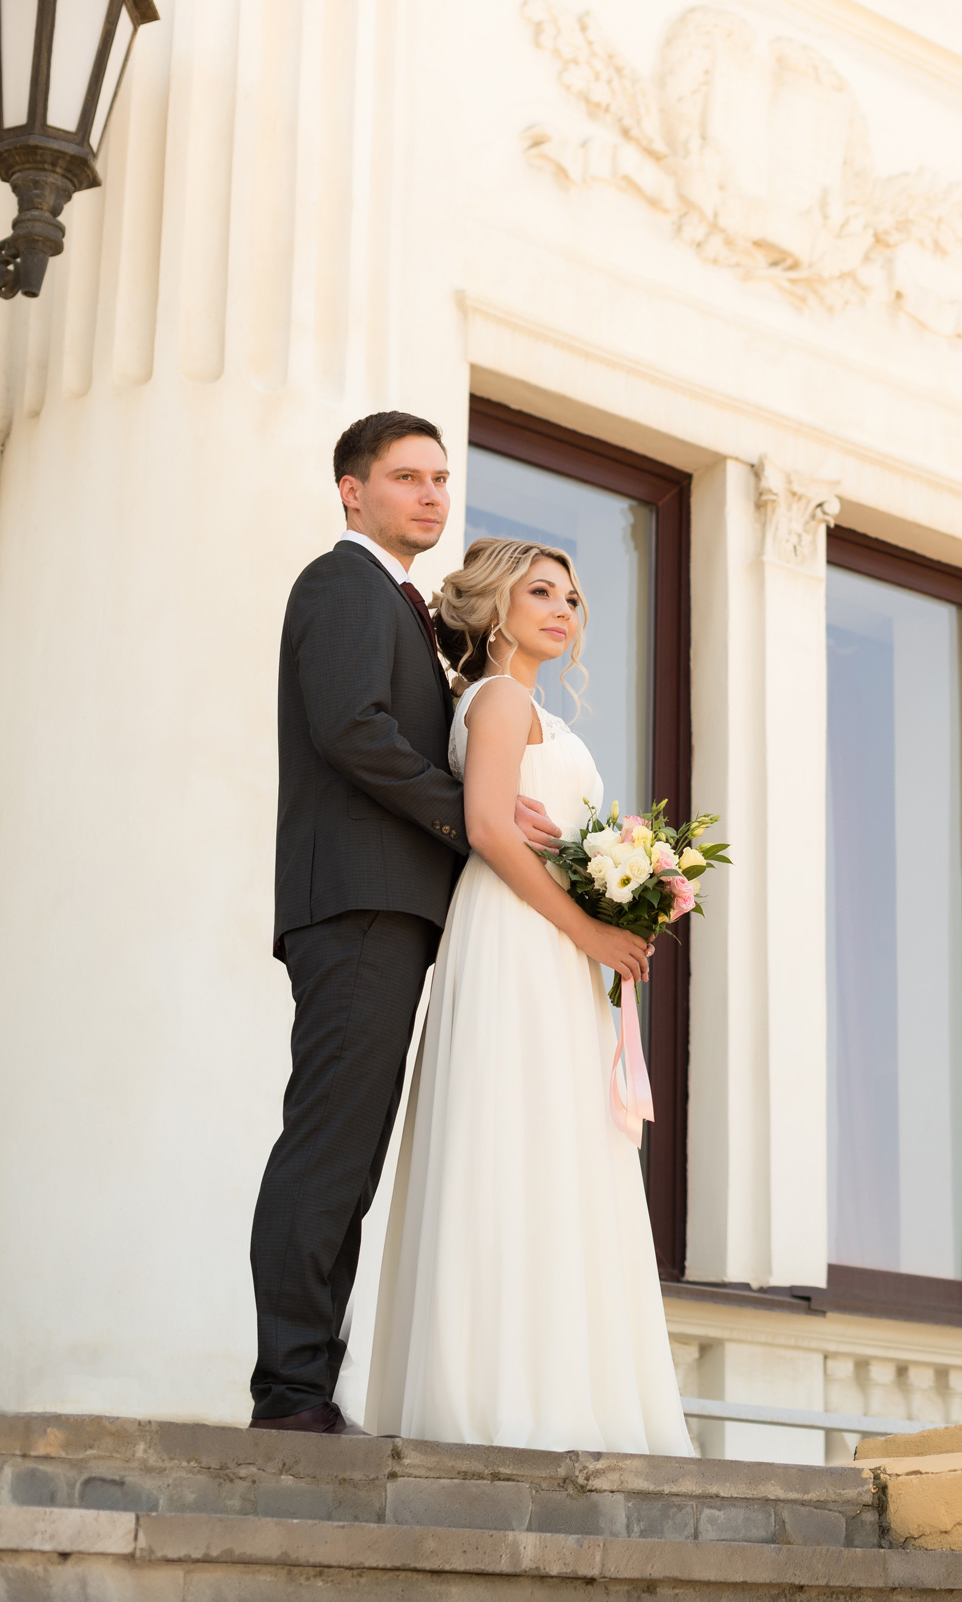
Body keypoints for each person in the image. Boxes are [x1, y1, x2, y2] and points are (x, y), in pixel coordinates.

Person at [250, 413, 561, 1434]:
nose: (431, 495)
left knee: (351, 1152)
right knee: (332, 1149)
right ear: (352, 491)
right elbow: (351, 730)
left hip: (391, 908)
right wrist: (467, 818)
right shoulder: (341, 584)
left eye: (440, 478)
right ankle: (291, 1394)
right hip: (360, 902)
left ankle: (305, 1385)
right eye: (404, 478)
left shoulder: (407, 606)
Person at [363, 537, 694, 1454]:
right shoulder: (500, 699)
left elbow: (537, 833)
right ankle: (495, 1398)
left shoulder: (525, 705)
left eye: (574, 597)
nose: (563, 608)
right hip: (518, 936)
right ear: (497, 606)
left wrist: (618, 884)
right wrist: (590, 927)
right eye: (540, 591)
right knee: (509, 1137)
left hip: (551, 946)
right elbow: (486, 830)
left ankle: (563, 1391)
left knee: (560, 1150)